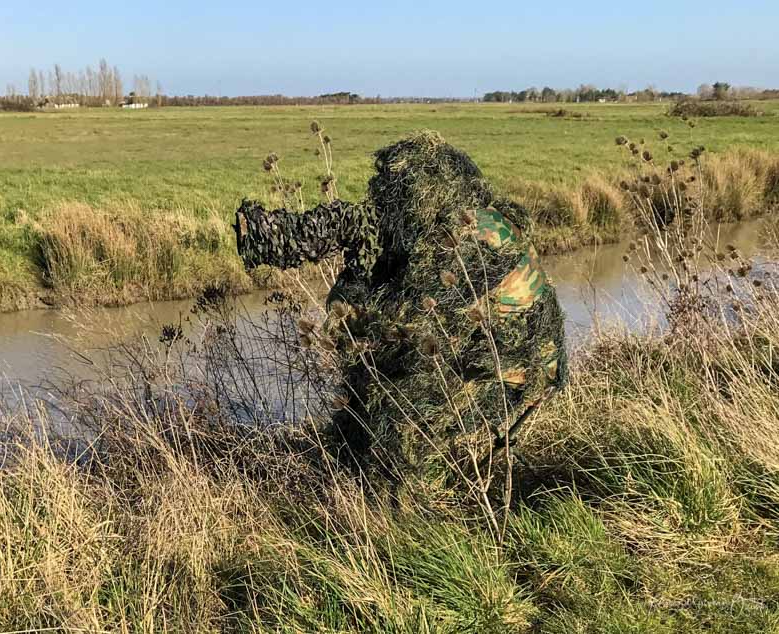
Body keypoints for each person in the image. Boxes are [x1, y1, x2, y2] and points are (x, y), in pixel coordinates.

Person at [234, 131, 567, 483]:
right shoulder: (482, 217)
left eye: (394, 194)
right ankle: (349, 466)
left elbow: (388, 335)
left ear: (421, 194)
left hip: (509, 380)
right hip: (520, 363)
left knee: (392, 402)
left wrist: (353, 287)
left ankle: (402, 506)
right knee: (375, 389)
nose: (383, 203)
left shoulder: (456, 246)